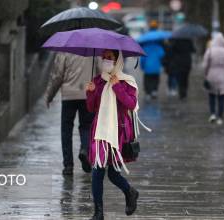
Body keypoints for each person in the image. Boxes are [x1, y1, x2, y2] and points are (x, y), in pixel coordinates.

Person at [86, 49, 139, 220]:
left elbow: (131, 104)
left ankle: (129, 191)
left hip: (119, 132)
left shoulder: (126, 82)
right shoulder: (98, 81)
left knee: (113, 174)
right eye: (104, 57)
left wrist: (117, 87)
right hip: (100, 131)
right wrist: (91, 92)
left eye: (110, 58)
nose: (106, 61)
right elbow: (91, 107)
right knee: (97, 170)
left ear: (118, 61)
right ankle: (98, 212)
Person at [44, 52, 98, 175]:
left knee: (66, 130)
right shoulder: (94, 51)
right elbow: (101, 73)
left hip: (68, 96)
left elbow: (57, 76)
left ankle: (68, 166)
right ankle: (85, 149)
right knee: (87, 126)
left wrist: (49, 95)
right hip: (87, 94)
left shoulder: (64, 52)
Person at [202, 33, 224, 125]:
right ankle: (220, 117)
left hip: (211, 75)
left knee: (211, 95)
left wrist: (206, 74)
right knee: (221, 97)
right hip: (223, 75)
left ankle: (212, 114)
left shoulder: (210, 51)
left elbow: (205, 65)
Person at [140, 20, 165, 100]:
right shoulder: (159, 47)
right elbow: (162, 55)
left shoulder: (145, 47)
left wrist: (142, 66)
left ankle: (148, 92)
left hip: (147, 68)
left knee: (147, 80)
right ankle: (154, 90)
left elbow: (143, 58)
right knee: (155, 79)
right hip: (156, 67)